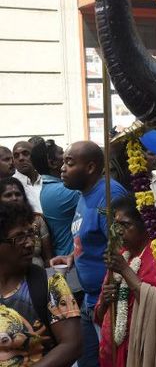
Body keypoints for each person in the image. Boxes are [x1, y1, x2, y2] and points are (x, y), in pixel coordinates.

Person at [49, 141, 128, 367]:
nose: (62, 168)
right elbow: (90, 237)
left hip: (108, 303)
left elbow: (123, 249)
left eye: (69, 162)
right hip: (88, 300)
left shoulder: (108, 196)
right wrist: (72, 256)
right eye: (63, 161)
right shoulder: (84, 195)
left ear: (91, 167)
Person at [95, 196, 156, 366]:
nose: (118, 231)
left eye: (125, 225)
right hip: (116, 349)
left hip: (146, 349)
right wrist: (105, 302)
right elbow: (99, 315)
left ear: (145, 225)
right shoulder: (120, 255)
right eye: (115, 226)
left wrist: (126, 271)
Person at [0, 202, 81, 366]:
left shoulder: (51, 284)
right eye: (19, 238)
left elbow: (73, 345)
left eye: (31, 234)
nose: (30, 243)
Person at [31, 139, 80, 257]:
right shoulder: (62, 191)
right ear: (52, 162)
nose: (68, 156)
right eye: (62, 153)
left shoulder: (50, 187)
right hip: (70, 256)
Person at [0, 177, 52, 268]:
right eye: (8, 195)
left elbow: (48, 258)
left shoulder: (37, 219)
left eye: (18, 194)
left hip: (37, 274)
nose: (14, 198)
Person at [12, 141, 43, 213]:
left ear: (34, 156)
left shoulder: (45, 181)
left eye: (25, 154)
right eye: (16, 156)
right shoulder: (12, 186)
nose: (21, 158)